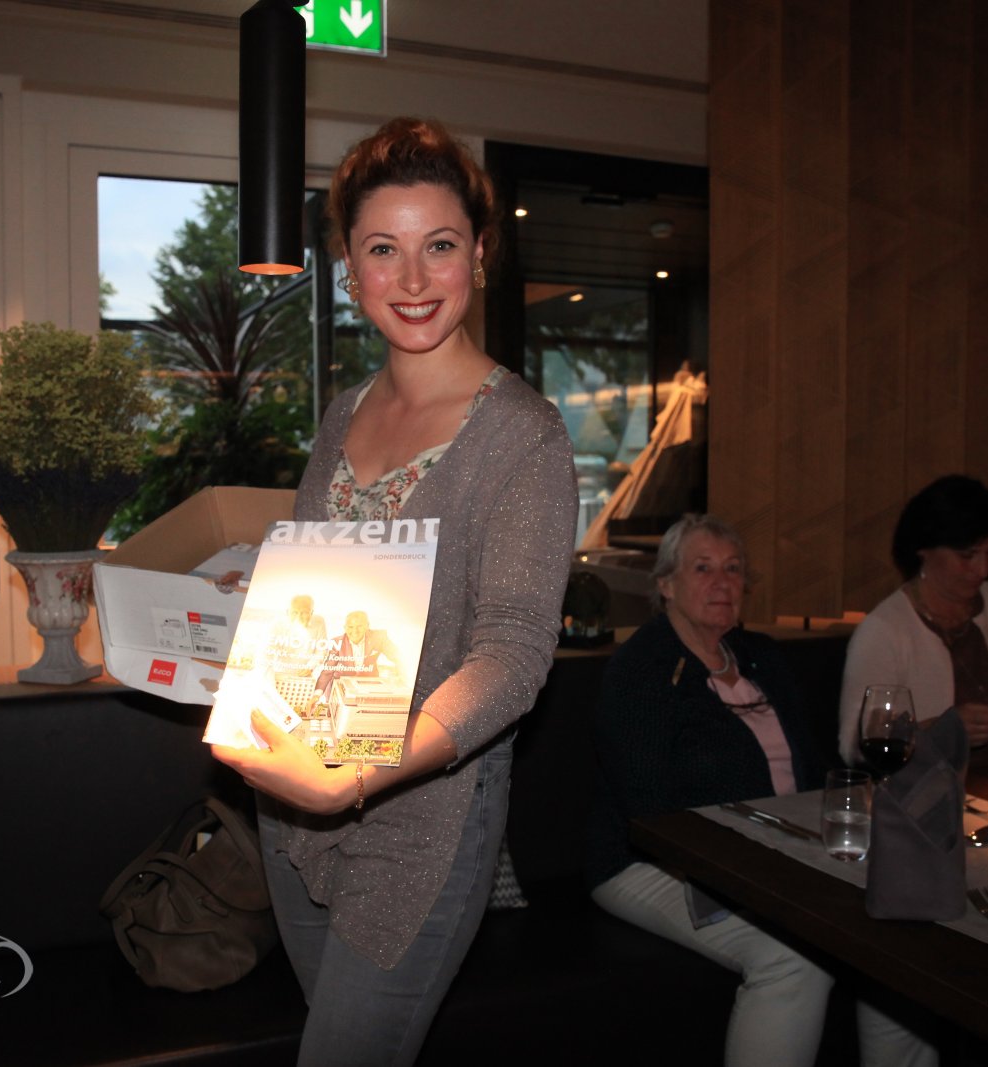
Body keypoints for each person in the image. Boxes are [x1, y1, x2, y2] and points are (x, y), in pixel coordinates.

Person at [210, 116, 578, 1067]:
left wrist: (360, 777)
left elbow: (512, 656)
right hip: (292, 800)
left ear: (480, 254)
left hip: (424, 813)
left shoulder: (525, 435)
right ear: (348, 266)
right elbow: (320, 597)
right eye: (384, 249)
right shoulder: (343, 416)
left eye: (439, 245)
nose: (413, 279)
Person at [587, 514, 931, 1067]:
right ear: (666, 584)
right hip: (651, 861)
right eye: (703, 569)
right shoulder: (642, 670)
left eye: (733, 569)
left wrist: (848, 821)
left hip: (777, 847)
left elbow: (811, 770)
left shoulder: (762, 657)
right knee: (795, 959)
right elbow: (649, 808)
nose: (722, 582)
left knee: (898, 929)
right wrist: (763, 863)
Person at [838, 475, 988, 767]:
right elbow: (856, 746)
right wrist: (940, 731)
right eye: (967, 556)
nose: (983, 569)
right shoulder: (885, 630)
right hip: (934, 786)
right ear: (923, 550)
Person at [311, 609, 404, 709]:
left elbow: (398, 656)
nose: (355, 631)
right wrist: (316, 695)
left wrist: (401, 674)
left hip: (368, 687)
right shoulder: (336, 642)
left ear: (367, 626)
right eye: (350, 627)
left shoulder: (378, 637)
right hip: (340, 687)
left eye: (359, 626)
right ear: (345, 628)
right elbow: (327, 671)